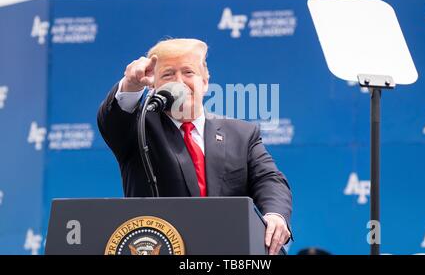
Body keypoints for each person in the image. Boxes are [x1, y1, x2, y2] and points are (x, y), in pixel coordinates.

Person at [97, 38, 292, 255]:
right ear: (152, 85)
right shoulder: (138, 127)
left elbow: (268, 179)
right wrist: (131, 84)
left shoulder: (242, 134)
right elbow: (113, 119)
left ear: (205, 81)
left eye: (188, 72)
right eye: (168, 75)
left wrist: (275, 215)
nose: (179, 82)